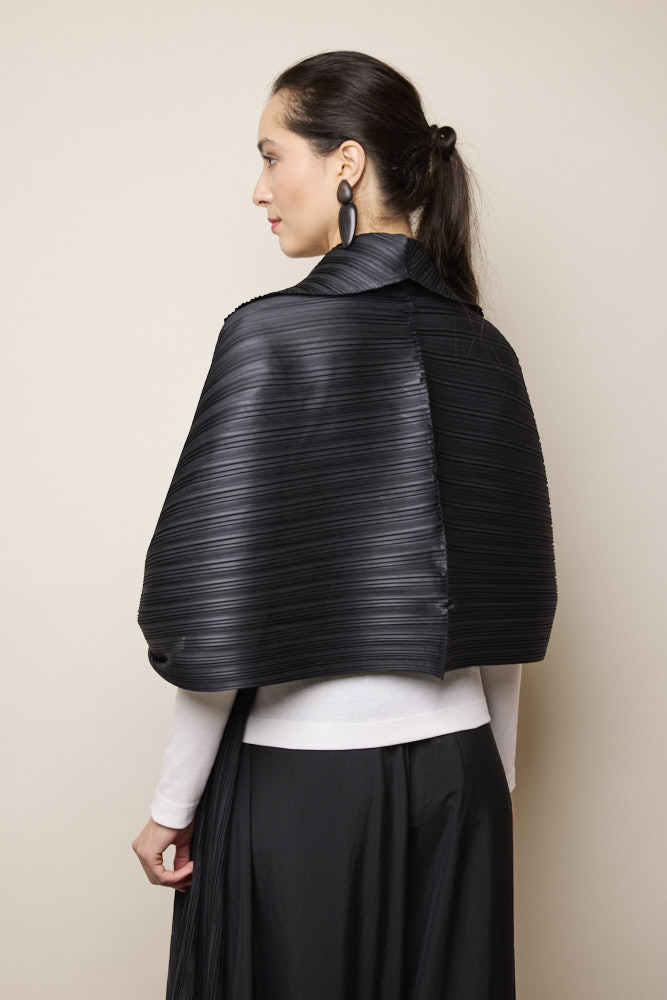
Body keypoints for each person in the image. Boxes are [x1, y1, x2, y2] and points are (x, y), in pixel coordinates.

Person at [132, 50, 556, 1000]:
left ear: (347, 163)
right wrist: (489, 784)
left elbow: (216, 606)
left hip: (302, 788)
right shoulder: (485, 349)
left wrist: (171, 803)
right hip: (460, 781)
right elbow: (504, 602)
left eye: (271, 155)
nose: (259, 189)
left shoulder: (268, 336)